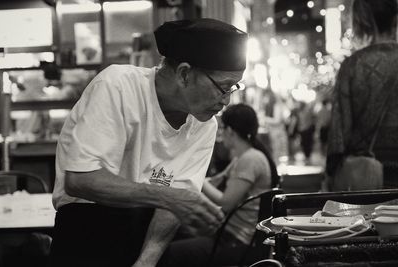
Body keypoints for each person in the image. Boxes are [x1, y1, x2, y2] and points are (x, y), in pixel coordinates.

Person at [49, 18, 247, 267]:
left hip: (146, 235)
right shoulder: (118, 86)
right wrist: (168, 196)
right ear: (184, 74)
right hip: (84, 231)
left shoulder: (205, 125)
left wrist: (146, 261)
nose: (226, 100)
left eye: (234, 88)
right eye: (224, 87)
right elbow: (80, 179)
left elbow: (174, 205)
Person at [158, 104, 279, 267]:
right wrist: (196, 179)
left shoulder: (250, 159)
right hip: (229, 235)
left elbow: (226, 203)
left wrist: (194, 180)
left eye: (222, 129)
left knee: (170, 251)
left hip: (238, 241)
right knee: (177, 233)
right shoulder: (242, 157)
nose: (220, 135)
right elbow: (215, 181)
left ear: (230, 131)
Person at [326, 0, 398, 189]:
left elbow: (338, 136)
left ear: (360, 22)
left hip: (367, 180)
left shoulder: (353, 66)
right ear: (395, 20)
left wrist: (331, 175)